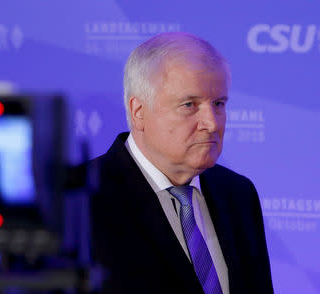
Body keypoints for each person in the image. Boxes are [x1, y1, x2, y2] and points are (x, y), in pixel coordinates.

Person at [75, 32, 274, 294]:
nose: (212, 123)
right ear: (139, 112)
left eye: (218, 103)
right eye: (190, 104)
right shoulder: (79, 199)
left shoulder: (238, 193)